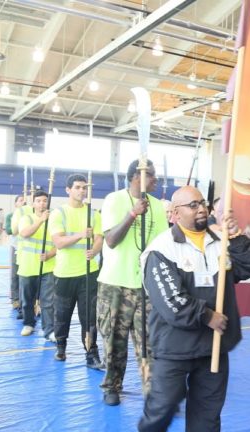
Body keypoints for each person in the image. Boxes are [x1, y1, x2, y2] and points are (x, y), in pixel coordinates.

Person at [138, 186, 250, 432]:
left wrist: (235, 235)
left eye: (202, 203)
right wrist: (207, 316)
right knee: (162, 409)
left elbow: (249, 268)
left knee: (207, 416)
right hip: (175, 347)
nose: (201, 208)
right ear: (174, 213)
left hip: (212, 347)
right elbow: (171, 301)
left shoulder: (220, 241)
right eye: (193, 205)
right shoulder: (161, 250)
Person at [97, 159, 169, 406]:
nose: (156, 180)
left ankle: (152, 390)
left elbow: (161, 244)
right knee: (114, 339)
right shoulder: (114, 200)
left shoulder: (158, 206)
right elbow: (111, 240)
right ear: (136, 177)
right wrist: (132, 214)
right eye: (151, 175)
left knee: (149, 342)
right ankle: (112, 386)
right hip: (115, 283)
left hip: (146, 286)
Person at [49, 174, 104, 369]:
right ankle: (61, 346)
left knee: (89, 316)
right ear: (68, 190)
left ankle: (91, 352)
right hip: (64, 274)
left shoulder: (94, 213)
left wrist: (95, 250)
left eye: (84, 187)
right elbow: (59, 242)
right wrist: (81, 234)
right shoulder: (59, 214)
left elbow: (99, 238)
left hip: (89, 273)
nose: (82, 191)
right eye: (78, 187)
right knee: (62, 314)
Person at [17, 190, 56, 340]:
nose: (42, 204)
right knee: (27, 299)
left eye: (45, 201)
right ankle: (29, 323)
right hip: (28, 267)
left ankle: (49, 330)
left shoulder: (53, 220)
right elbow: (25, 233)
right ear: (33, 203)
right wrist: (40, 221)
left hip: (48, 267)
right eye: (38, 201)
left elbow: (58, 243)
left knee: (48, 301)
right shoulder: (26, 218)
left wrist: (49, 254)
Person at [7, 195, 26, 316]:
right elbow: (9, 230)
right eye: (20, 200)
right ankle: (15, 299)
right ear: (15, 204)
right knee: (15, 274)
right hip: (15, 247)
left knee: (26, 275)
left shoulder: (29, 215)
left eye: (25, 200)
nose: (23, 202)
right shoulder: (11, 216)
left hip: (27, 249)